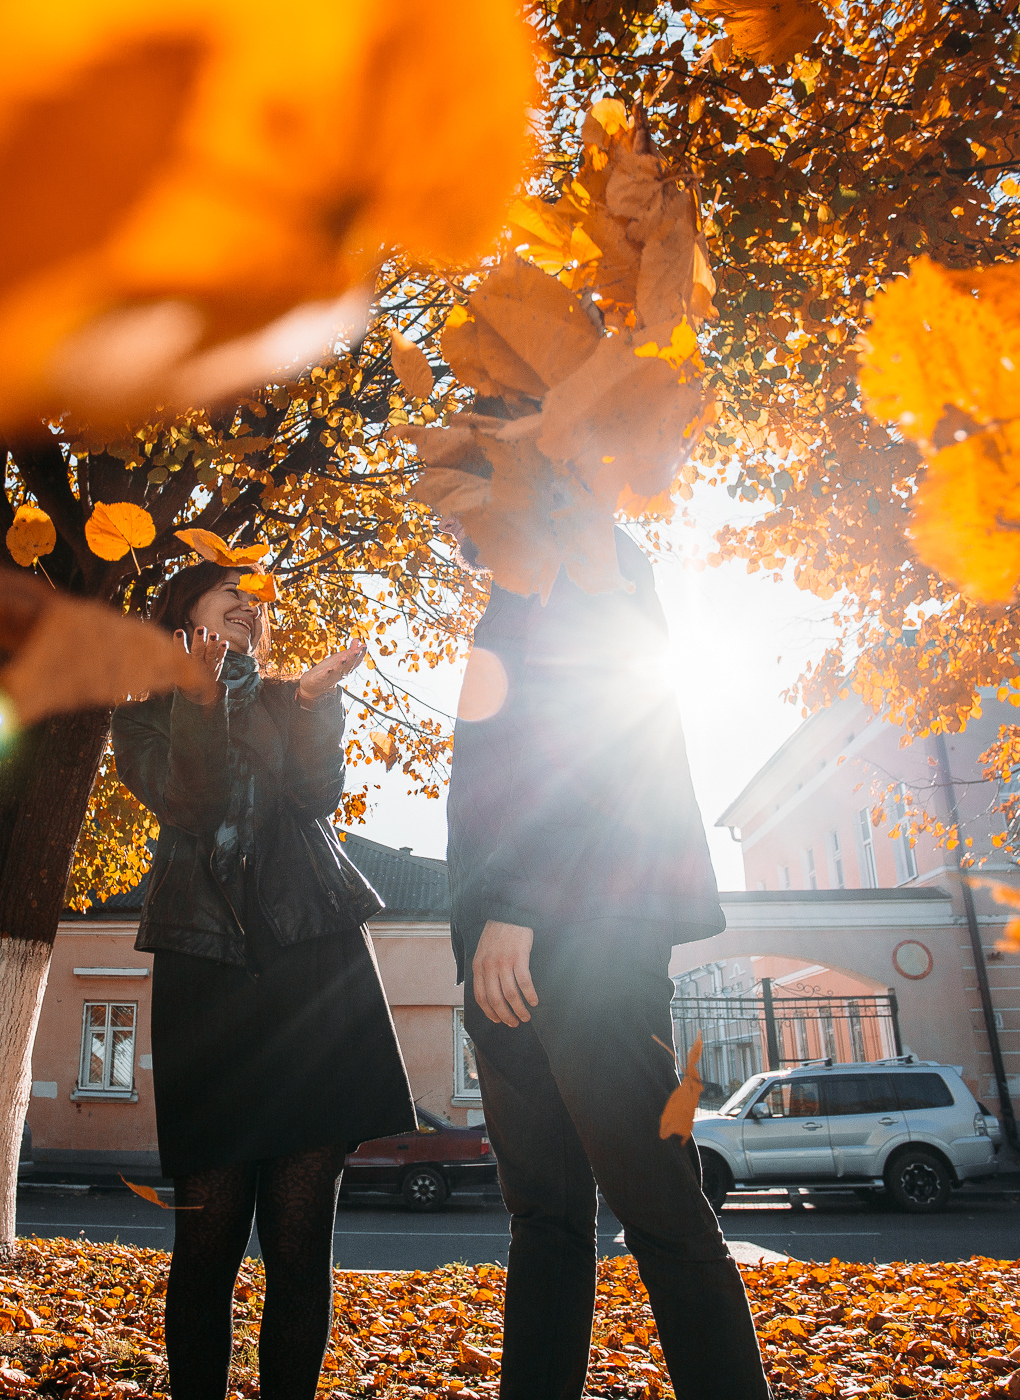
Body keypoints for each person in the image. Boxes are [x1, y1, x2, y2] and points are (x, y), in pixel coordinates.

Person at [445, 523, 771, 1400]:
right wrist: (489, 922)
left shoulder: (575, 550)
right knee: (545, 1219)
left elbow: (597, 729)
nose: (444, 520)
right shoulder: (518, 580)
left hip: (579, 931)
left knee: (656, 1204)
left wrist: (520, 903)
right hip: (506, 947)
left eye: (454, 491)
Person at [111, 560, 415, 1400]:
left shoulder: (289, 699)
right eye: (230, 597)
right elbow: (190, 803)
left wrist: (317, 705)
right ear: (186, 612)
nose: (249, 610)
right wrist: (201, 699)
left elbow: (319, 795)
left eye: (256, 603)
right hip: (206, 975)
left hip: (311, 970)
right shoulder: (140, 717)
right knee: (205, 1242)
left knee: (298, 1236)